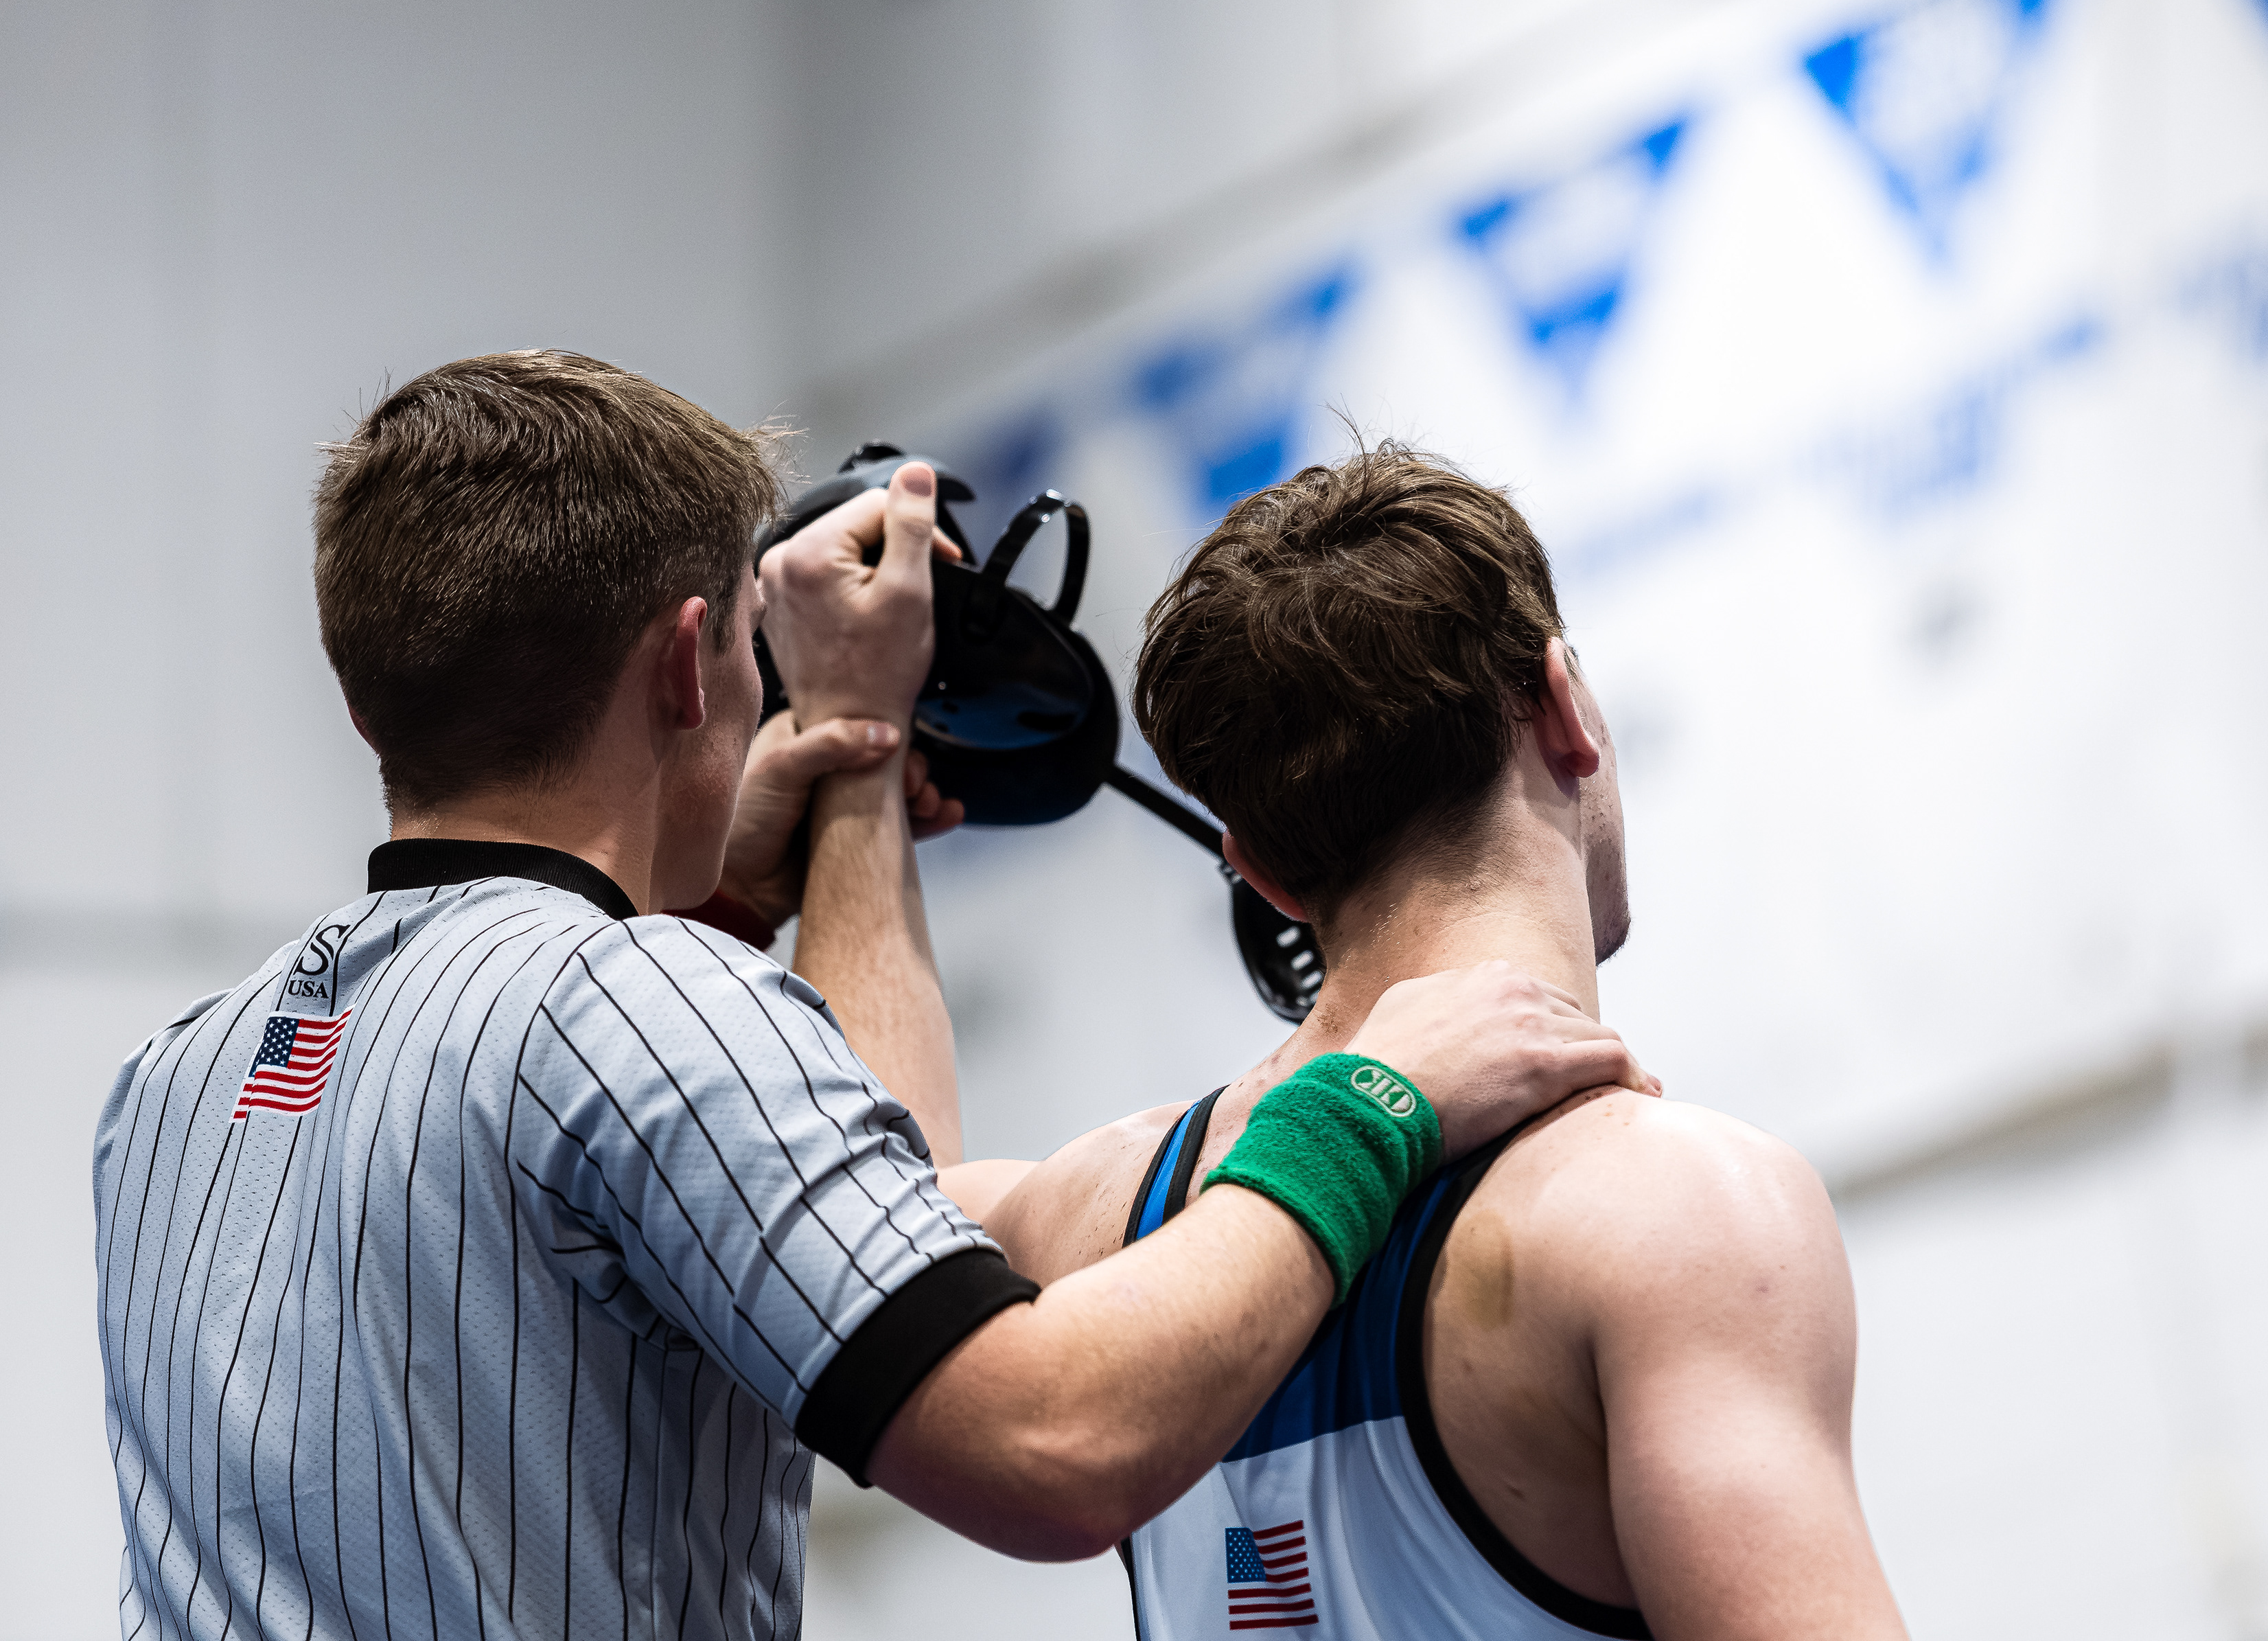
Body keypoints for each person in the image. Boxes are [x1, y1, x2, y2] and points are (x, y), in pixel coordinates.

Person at [92, 353, 1647, 1641]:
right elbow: (1050, 1443)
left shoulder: (169, 1082)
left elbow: (778, 1203)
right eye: (751, 654)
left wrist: (805, 825)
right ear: (689, 662)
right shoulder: (643, 1007)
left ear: (366, 688)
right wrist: (1368, 1102)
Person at [942, 446, 1910, 1639]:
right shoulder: (1679, 1209)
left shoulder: (1094, 1213)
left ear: (1262, 872)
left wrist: (852, 765)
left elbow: (857, 1198)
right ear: (1564, 706)